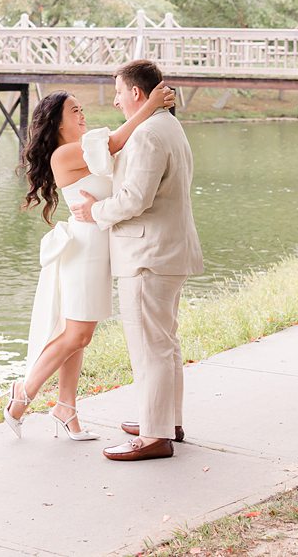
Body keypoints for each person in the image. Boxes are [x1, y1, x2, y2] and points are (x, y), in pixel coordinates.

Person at [3, 80, 177, 441]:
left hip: (100, 250)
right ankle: (23, 392)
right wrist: (151, 104)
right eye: (74, 110)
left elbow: (122, 148)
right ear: (56, 123)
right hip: (83, 251)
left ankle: (66, 408)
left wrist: (155, 111)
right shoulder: (65, 155)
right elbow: (115, 141)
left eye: (82, 108)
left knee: (80, 335)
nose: (82, 114)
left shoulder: (90, 149)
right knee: (77, 334)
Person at [70, 59, 201, 462]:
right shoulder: (168, 126)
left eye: (118, 93)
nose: (115, 101)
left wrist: (95, 211)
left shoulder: (147, 134)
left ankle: (154, 436)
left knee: (149, 347)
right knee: (164, 343)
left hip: (147, 255)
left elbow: (135, 199)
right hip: (165, 251)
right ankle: (164, 420)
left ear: (137, 94)